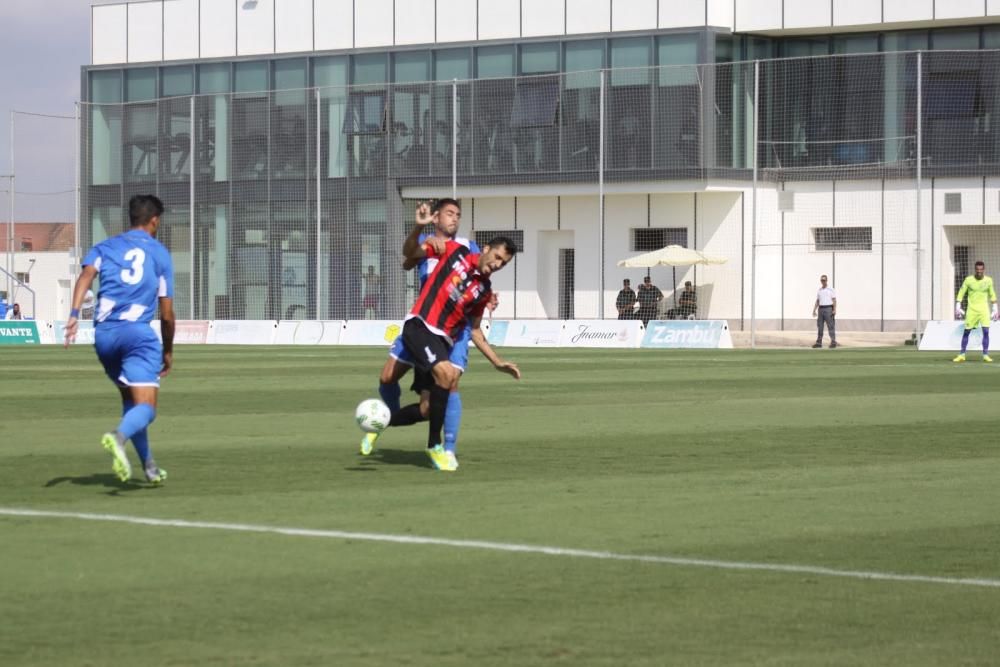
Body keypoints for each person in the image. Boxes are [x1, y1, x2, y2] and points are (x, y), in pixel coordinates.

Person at [364, 199, 487, 470]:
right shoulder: (428, 244)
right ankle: (385, 418)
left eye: (458, 215)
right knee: (387, 377)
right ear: (436, 218)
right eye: (449, 214)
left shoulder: (468, 246)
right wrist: (418, 230)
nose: (455, 219)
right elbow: (408, 259)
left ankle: (448, 449)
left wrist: (490, 296)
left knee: (447, 387)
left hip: (453, 330)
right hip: (423, 323)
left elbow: (481, 272)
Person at [64, 194, 175, 484]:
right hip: (137, 336)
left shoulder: (105, 247)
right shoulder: (160, 254)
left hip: (104, 336)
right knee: (147, 408)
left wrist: (74, 313)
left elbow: (86, 275)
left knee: (131, 401)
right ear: (154, 220)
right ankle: (118, 436)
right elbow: (166, 314)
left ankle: (149, 466)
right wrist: (168, 350)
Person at [388, 234, 520, 471]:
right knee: (444, 374)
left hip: (441, 340)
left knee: (427, 407)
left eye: (504, 263)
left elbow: (476, 331)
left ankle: (383, 422)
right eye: (498, 257)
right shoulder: (455, 251)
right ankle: (435, 446)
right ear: (486, 248)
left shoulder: (484, 290)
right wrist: (419, 227)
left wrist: (497, 362)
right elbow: (411, 254)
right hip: (419, 325)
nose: (498, 264)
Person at [953, 260, 998, 363]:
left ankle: (985, 355)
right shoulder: (968, 280)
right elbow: (961, 292)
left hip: (984, 310)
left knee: (986, 332)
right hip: (972, 310)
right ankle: (962, 354)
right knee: (966, 332)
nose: (979, 272)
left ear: (984, 270)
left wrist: (995, 308)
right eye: (977, 270)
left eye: (981, 270)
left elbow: (992, 294)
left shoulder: (988, 280)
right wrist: (958, 305)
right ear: (975, 269)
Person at [812, 274, 837, 348]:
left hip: (828, 308)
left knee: (830, 326)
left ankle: (833, 341)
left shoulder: (831, 289)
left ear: (826, 280)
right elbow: (817, 301)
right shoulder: (819, 290)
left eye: (824, 280)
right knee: (820, 326)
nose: (823, 281)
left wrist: (834, 309)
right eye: (822, 280)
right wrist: (814, 310)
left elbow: (834, 300)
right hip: (821, 309)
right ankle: (819, 342)